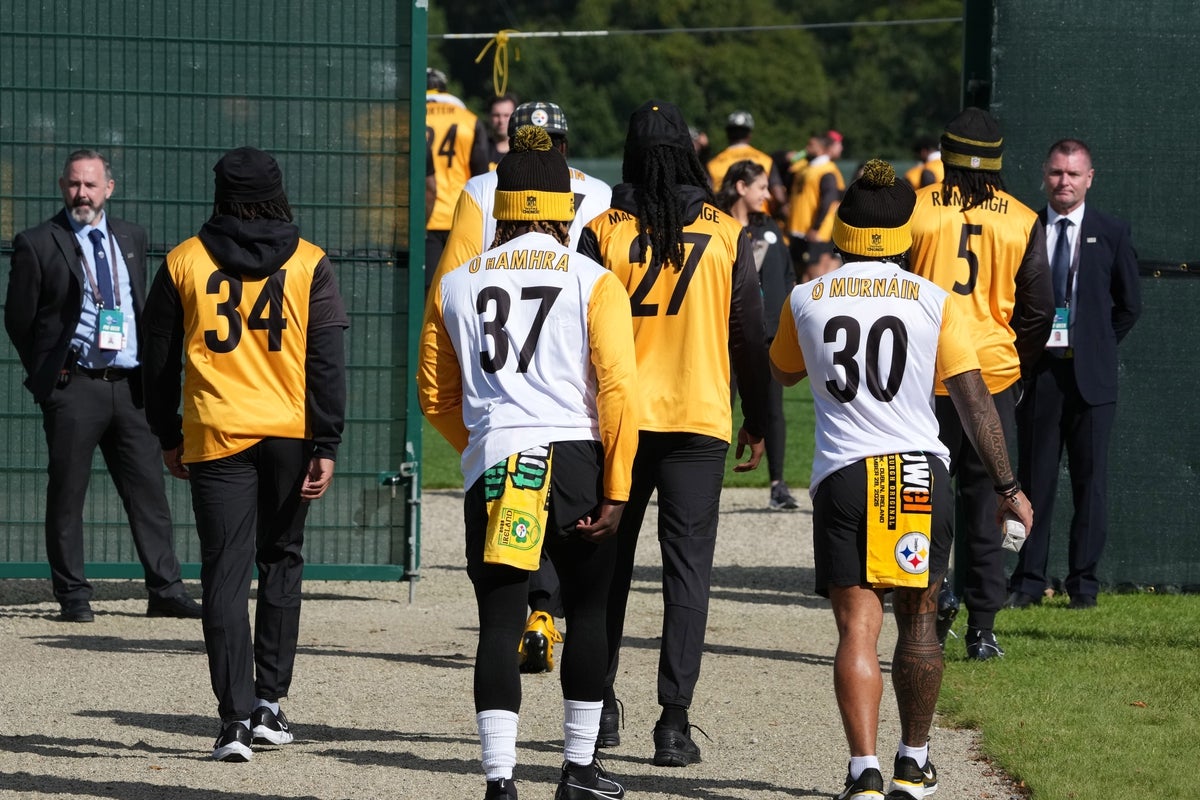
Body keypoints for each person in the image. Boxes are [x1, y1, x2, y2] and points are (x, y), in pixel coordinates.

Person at [769, 160, 1033, 800]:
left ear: (842, 231)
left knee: (857, 630)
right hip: (917, 470)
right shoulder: (934, 301)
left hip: (844, 475)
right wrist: (1008, 487)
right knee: (918, 622)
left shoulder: (805, 298)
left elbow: (782, 371)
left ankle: (862, 771)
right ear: (905, 234)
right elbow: (973, 401)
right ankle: (913, 764)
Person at [418, 124, 638, 800]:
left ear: (499, 207)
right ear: (566, 209)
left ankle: (499, 780)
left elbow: (434, 393)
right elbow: (617, 390)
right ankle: (578, 770)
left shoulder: (456, 284)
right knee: (589, 613)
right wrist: (618, 486)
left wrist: (480, 444)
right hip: (576, 455)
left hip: (497, 454)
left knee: (499, 621)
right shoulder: (595, 280)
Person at [140, 147, 349, 761]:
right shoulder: (309, 262)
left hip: (215, 434)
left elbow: (158, 362)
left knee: (224, 574)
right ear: (278, 194)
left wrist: (167, 434)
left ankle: (232, 720)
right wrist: (327, 440)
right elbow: (326, 362)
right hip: (288, 433)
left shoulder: (184, 260)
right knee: (281, 560)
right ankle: (269, 706)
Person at [578, 99, 769, 767]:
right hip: (697, 419)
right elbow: (748, 336)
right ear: (689, 153)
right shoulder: (725, 231)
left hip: (618, 422)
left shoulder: (603, 230)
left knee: (606, 569)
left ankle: (598, 705)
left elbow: (579, 332)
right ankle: (673, 722)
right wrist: (759, 421)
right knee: (687, 574)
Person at [431, 99, 615, 676]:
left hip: (500, 386)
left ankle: (532, 611)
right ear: (564, 145)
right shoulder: (598, 192)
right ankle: (549, 622)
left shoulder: (483, 188)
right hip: (573, 383)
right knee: (588, 593)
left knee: (500, 587)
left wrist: (476, 439)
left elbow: (450, 282)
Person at [4, 148, 202, 624]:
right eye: (74, 184)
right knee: (67, 493)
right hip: (76, 387)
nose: (82, 193)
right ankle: (73, 596)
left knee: (148, 491)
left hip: (131, 388)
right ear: (62, 186)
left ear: (108, 189)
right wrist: (50, 377)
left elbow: (138, 306)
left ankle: (166, 590)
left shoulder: (131, 237)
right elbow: (19, 320)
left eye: (91, 185)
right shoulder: (38, 243)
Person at [908, 107, 1055, 660]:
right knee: (991, 497)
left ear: (946, 155)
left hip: (926, 376)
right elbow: (1039, 311)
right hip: (990, 375)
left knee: (925, 498)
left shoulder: (916, 208)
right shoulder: (1021, 218)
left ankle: (931, 600)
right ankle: (983, 627)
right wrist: (1016, 365)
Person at [1007, 138, 1142, 611]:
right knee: (1033, 481)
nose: (1063, 181)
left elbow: (1129, 306)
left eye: (1073, 174)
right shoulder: (1024, 229)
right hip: (1040, 376)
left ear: (1089, 179)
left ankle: (1083, 585)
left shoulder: (1111, 231)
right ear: (1044, 175)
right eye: (1056, 172)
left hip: (1092, 381)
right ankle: (1028, 581)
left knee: (1091, 483)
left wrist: (1095, 345)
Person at [715, 159, 798, 511]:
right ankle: (707, 481)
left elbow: (788, 276)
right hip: (723, 334)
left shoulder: (770, 228)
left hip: (767, 336)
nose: (767, 194)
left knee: (772, 409)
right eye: (761, 187)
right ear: (741, 187)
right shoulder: (716, 225)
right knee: (720, 408)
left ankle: (778, 485)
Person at [425, 67, 490, 291]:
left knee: (428, 291)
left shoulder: (410, 115)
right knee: (462, 287)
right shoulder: (469, 119)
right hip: (462, 215)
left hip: (425, 217)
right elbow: (482, 175)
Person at [788, 130, 846, 282]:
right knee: (800, 273)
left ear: (822, 148)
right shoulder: (806, 167)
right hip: (800, 229)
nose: (807, 148)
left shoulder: (827, 170)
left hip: (817, 232)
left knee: (814, 276)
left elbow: (829, 200)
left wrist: (816, 227)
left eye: (811, 145)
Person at [704, 110, 787, 214]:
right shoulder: (766, 160)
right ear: (749, 134)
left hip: (725, 219)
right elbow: (779, 197)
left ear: (727, 134)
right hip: (760, 219)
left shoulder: (713, 164)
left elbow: (708, 198)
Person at [484, 93, 519, 169]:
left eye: (506, 115)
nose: (501, 121)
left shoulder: (524, 152)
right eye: (496, 115)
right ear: (489, 117)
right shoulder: (480, 149)